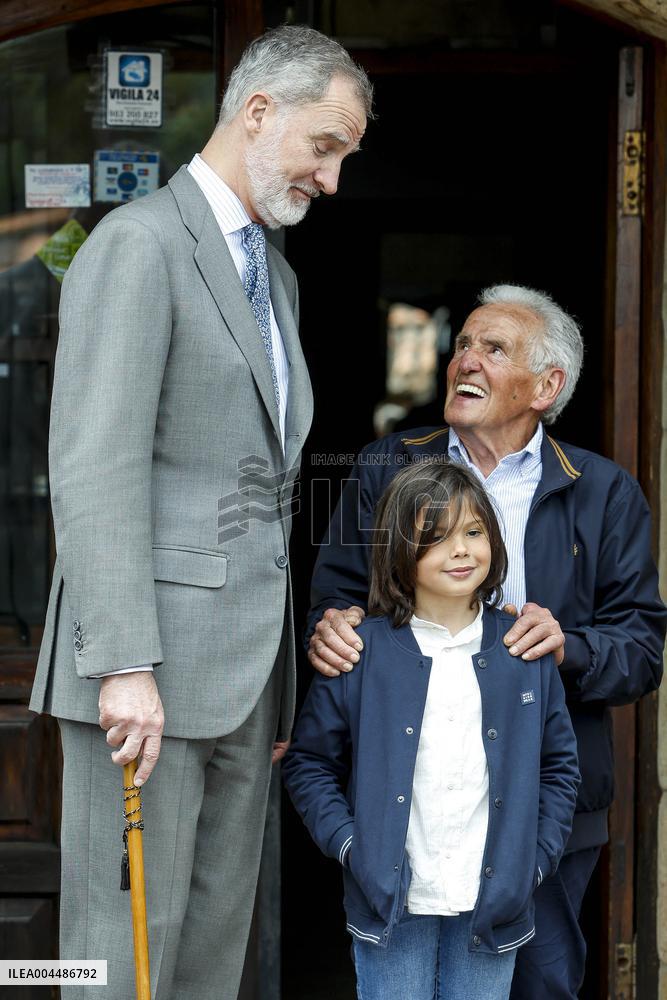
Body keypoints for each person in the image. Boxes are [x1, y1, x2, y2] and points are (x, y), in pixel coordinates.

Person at [29, 25, 372, 1000]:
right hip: (143, 675)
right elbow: (95, 468)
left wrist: (274, 685)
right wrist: (124, 662)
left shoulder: (281, 279)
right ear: (257, 111)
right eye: (325, 146)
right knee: (118, 957)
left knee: (208, 962)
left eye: (344, 156)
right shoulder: (137, 244)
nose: (333, 178)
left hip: (241, 685)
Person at [306, 284, 667, 999]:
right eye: (463, 344)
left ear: (546, 386)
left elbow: (641, 648)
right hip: (402, 799)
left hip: (541, 811)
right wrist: (331, 632)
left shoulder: (603, 490)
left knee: (538, 987)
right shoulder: (386, 467)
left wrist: (568, 647)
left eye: (492, 349)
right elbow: (335, 598)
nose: (463, 361)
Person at [285, 459, 580, 1000]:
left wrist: (532, 861)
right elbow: (309, 764)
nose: (462, 549)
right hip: (391, 904)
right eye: (437, 537)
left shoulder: (524, 650)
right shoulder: (360, 651)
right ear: (401, 549)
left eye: (473, 532)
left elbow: (559, 767)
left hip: (492, 906)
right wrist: (355, 849)